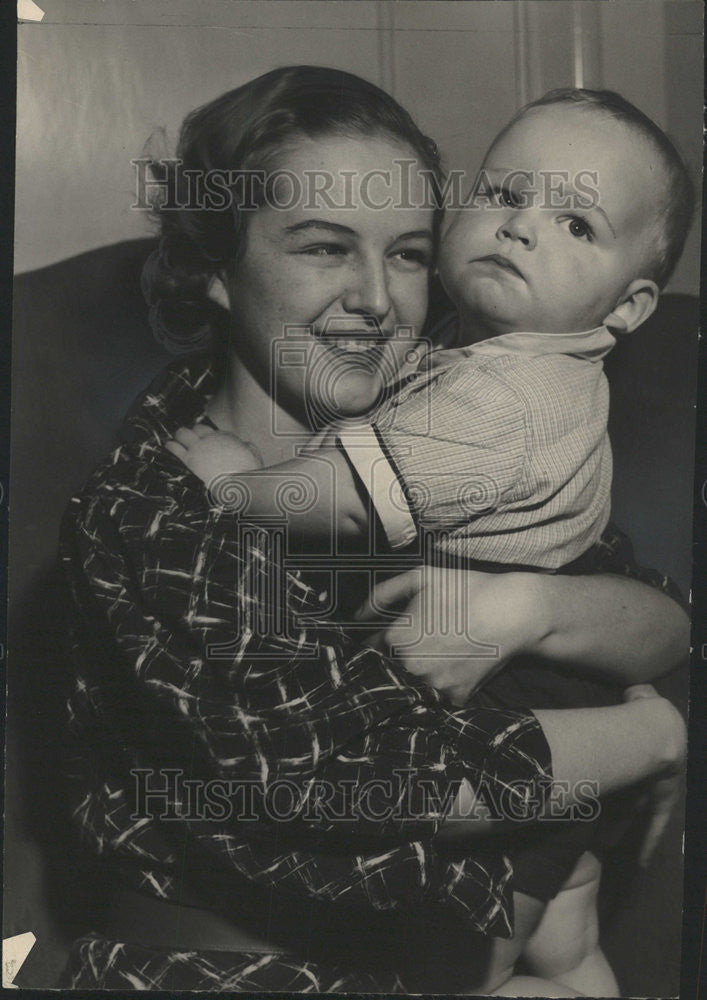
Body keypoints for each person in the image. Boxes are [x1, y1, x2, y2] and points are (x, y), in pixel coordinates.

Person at [60, 66, 688, 994]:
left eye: (404, 254)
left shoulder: (447, 429)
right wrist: (650, 740)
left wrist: (533, 605)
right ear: (213, 270)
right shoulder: (161, 501)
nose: (375, 300)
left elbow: (664, 622)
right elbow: (359, 783)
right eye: (323, 247)